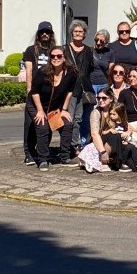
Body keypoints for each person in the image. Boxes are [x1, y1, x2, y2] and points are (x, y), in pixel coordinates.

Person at [27, 46, 77, 171]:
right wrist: (39, 111)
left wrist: (64, 110)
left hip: (54, 108)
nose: (56, 58)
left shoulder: (71, 73)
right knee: (43, 125)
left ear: (64, 58)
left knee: (67, 124)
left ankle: (65, 156)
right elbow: (34, 92)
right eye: (53, 56)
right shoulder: (43, 71)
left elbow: (70, 92)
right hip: (36, 105)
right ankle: (43, 159)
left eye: (59, 56)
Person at [21, 21, 56, 166]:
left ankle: (43, 150)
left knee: (47, 123)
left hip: (50, 93)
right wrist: (29, 89)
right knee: (30, 124)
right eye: (42, 32)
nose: (45, 34)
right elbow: (29, 70)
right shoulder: (31, 50)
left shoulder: (55, 51)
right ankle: (29, 153)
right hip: (35, 92)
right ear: (38, 34)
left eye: (47, 32)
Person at [64, 20, 93, 151]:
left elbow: (90, 69)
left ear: (85, 34)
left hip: (83, 89)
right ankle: (70, 145)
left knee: (79, 119)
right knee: (69, 119)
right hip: (69, 89)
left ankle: (76, 144)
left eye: (80, 31)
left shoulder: (88, 50)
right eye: (75, 31)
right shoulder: (65, 49)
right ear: (71, 33)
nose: (78, 33)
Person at [78, 87, 117, 173]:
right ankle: (102, 161)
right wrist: (103, 152)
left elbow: (124, 123)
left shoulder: (115, 110)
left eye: (104, 98)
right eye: (98, 98)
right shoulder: (95, 113)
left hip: (114, 141)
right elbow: (94, 134)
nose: (100, 100)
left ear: (110, 99)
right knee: (113, 136)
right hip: (100, 142)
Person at [105, 102, 137, 173]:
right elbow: (104, 133)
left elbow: (130, 129)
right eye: (110, 114)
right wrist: (110, 130)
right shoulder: (110, 123)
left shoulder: (124, 122)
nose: (111, 116)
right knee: (128, 148)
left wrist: (128, 133)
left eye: (114, 114)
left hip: (124, 143)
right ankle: (121, 163)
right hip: (115, 145)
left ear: (120, 114)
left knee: (132, 147)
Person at [89, 29, 115, 94]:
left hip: (104, 84)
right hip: (91, 84)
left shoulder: (110, 52)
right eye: (96, 40)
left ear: (106, 41)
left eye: (101, 41)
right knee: (93, 103)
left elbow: (110, 70)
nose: (98, 43)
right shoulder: (89, 51)